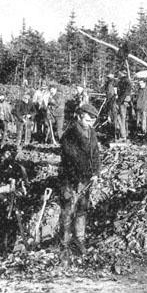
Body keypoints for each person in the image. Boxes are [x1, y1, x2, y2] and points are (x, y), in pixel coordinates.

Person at [59, 103, 100, 264]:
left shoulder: (92, 132)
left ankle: (79, 241)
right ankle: (64, 245)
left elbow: (95, 153)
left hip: (86, 179)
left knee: (82, 209)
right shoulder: (70, 134)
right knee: (68, 210)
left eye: (92, 121)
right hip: (69, 179)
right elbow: (71, 158)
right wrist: (79, 178)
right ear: (79, 116)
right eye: (88, 120)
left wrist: (95, 173)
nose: (90, 123)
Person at [114, 71, 133, 142]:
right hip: (124, 101)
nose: (119, 75)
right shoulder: (126, 81)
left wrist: (118, 101)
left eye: (120, 74)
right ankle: (125, 134)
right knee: (124, 118)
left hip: (123, 101)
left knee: (121, 118)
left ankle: (123, 135)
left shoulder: (124, 81)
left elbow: (124, 93)